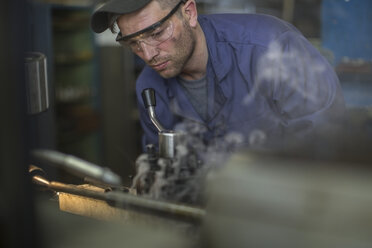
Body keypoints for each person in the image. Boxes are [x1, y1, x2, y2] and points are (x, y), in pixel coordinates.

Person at [91, 0, 345, 152]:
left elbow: (327, 145)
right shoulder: (149, 86)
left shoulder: (271, 48)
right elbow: (159, 166)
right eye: (133, 42)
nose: (147, 54)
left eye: (157, 33)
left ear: (189, 12)